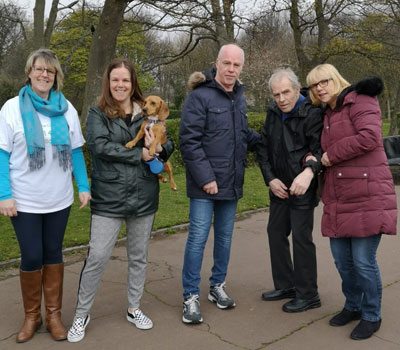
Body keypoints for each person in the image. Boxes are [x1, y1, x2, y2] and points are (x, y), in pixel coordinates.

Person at [67, 58, 174, 342]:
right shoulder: (97, 112)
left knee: (138, 257)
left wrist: (160, 146)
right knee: (98, 256)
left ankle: (134, 307)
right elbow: (100, 146)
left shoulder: (148, 110)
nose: (120, 85)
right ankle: (81, 314)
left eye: (125, 80)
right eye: (115, 80)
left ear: (132, 82)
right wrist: (138, 154)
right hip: (109, 197)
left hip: (144, 195)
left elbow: (168, 144)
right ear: (108, 82)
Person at [0, 49, 90, 343]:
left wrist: (84, 186)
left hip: (58, 198)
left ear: (56, 77)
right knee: (32, 255)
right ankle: (32, 316)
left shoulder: (67, 109)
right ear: (29, 72)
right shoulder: (11, 109)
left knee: (53, 254)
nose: (44, 75)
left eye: (50, 71)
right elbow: (2, 155)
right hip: (24, 199)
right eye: (39, 69)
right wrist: (5, 195)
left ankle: (53, 316)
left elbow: (76, 152)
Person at [306, 64, 397, 340]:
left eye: (324, 81)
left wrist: (330, 155)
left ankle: (371, 314)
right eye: (313, 85)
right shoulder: (328, 113)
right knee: (342, 260)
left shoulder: (361, 100)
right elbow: (321, 149)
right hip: (338, 194)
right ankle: (353, 305)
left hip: (368, 194)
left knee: (363, 261)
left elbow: (369, 137)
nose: (320, 88)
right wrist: (314, 159)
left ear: (335, 79)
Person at [179, 44, 260, 324]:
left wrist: (268, 139)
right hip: (205, 186)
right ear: (216, 63)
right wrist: (206, 179)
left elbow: (242, 134)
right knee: (198, 240)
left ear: (241, 68)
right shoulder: (199, 97)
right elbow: (189, 142)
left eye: (236, 65)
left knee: (224, 239)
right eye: (226, 63)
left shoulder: (239, 98)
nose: (231, 69)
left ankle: (217, 287)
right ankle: (190, 296)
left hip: (231, 184)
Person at [258, 68, 323, 313]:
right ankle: (286, 286)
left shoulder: (312, 113)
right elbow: (263, 148)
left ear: (297, 90)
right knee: (275, 233)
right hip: (279, 187)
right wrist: (271, 179)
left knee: (301, 239)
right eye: (276, 94)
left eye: (286, 92)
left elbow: (319, 150)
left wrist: (308, 173)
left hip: (303, 187)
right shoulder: (273, 112)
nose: (282, 99)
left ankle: (309, 295)